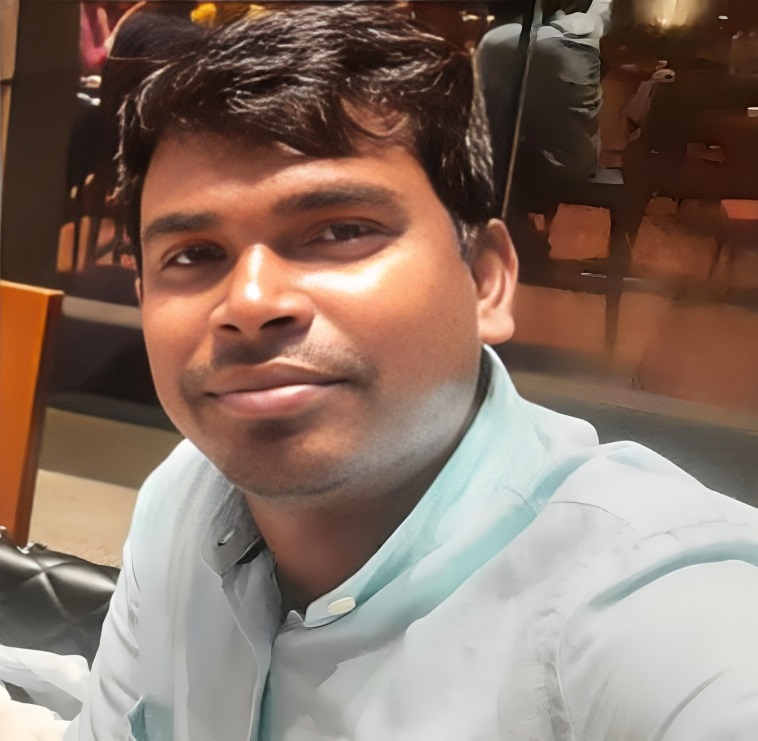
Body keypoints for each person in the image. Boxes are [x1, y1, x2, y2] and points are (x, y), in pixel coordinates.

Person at [6, 4, 758, 739]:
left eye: (340, 230)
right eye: (194, 254)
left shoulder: (642, 604)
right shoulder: (183, 499)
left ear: (487, 281)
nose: (251, 302)